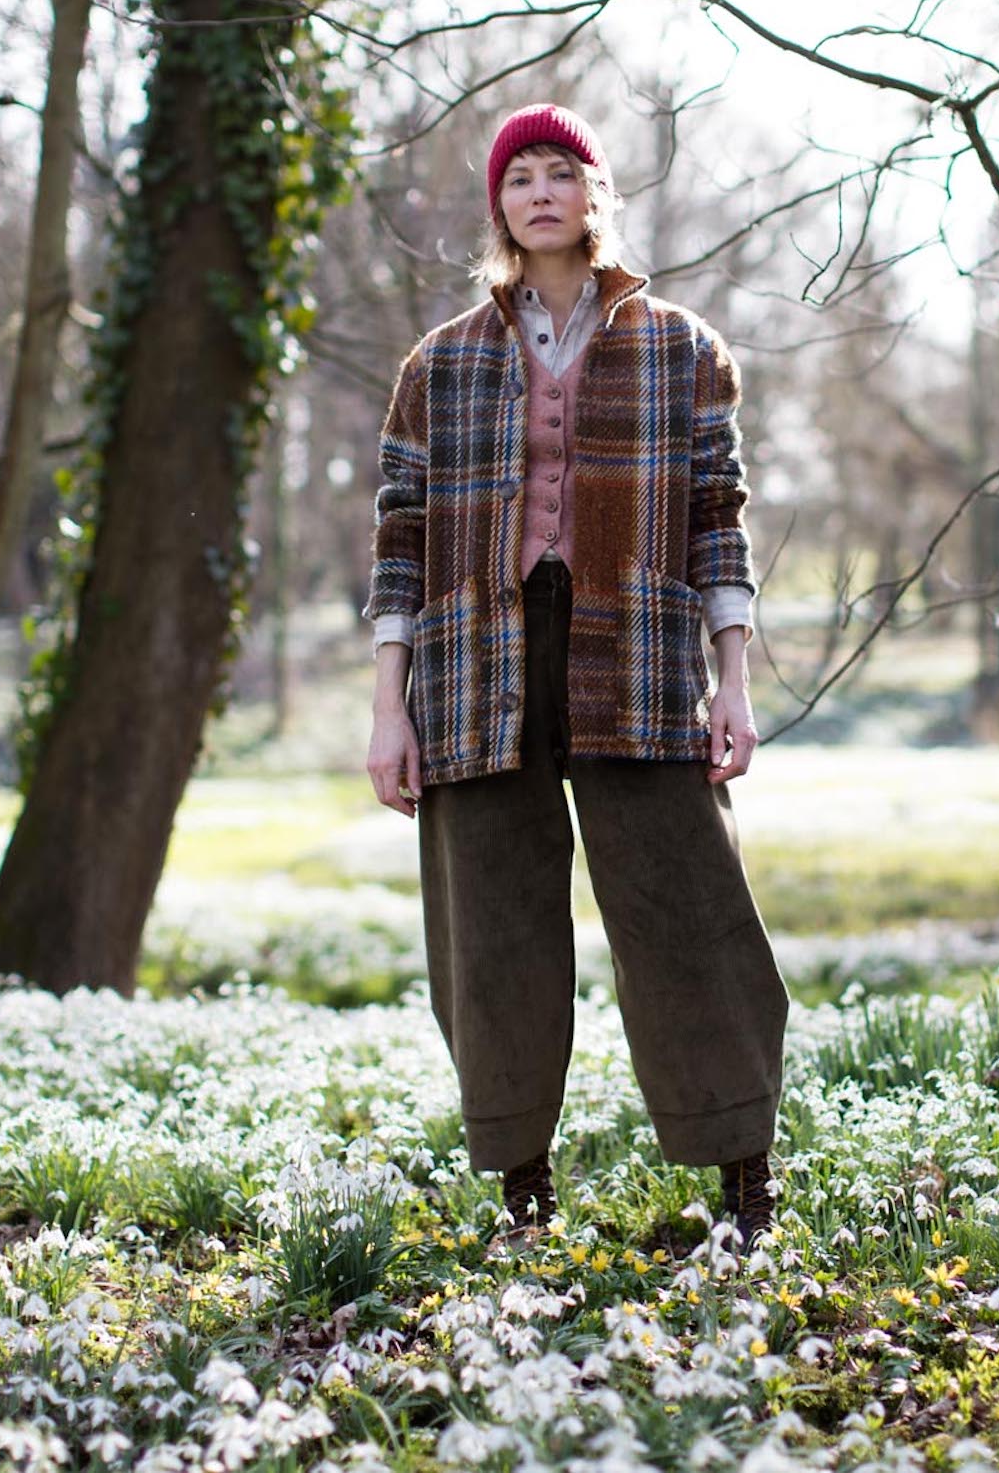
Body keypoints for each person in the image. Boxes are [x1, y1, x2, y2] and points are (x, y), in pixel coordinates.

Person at [363, 103, 790, 1249]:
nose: (541, 192)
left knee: (688, 905)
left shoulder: (681, 348)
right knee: (490, 922)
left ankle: (743, 1176)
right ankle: (523, 1195)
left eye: (562, 172)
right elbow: (399, 537)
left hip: (637, 652)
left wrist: (733, 682)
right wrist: (386, 709)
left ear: (595, 197)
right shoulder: (440, 362)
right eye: (520, 178)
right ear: (498, 208)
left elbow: (717, 521)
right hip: (471, 660)